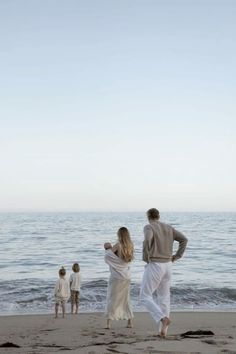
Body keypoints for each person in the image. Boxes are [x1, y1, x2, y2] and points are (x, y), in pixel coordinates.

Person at [140, 208, 188, 337]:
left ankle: (163, 318)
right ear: (158, 216)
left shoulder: (149, 227)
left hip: (156, 264)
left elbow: (147, 240)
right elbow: (184, 239)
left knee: (144, 296)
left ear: (148, 216)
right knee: (164, 297)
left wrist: (146, 256)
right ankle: (163, 331)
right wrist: (177, 256)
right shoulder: (169, 228)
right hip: (168, 265)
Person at [104, 226, 134, 329]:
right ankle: (130, 322)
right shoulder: (131, 246)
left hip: (117, 277)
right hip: (127, 276)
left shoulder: (118, 245)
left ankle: (108, 323)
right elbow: (126, 261)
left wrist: (107, 247)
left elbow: (108, 256)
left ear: (119, 235)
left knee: (113, 298)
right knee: (126, 299)